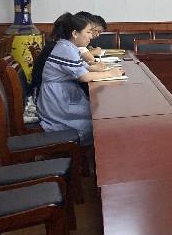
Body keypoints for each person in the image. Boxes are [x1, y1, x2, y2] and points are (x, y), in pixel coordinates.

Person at [31, 12, 122, 145]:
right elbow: (84, 76)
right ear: (75, 33)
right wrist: (111, 74)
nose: (91, 36)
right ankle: (96, 152)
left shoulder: (68, 46)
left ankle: (100, 150)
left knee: (101, 113)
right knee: (100, 119)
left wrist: (101, 68)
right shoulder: (65, 49)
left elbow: (85, 67)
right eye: (88, 32)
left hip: (63, 96)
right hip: (57, 102)